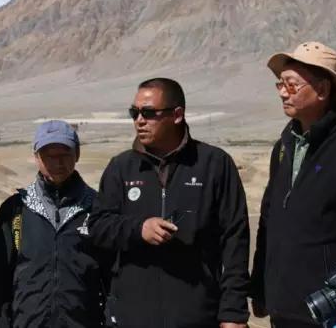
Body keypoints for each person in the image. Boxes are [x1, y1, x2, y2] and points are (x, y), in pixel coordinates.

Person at [87, 78, 250, 328]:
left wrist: (233, 311)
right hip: (133, 317)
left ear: (177, 115)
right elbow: (98, 226)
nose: (139, 120)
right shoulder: (121, 167)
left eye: (148, 113)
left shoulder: (214, 164)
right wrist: (139, 229)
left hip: (198, 315)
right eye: (134, 112)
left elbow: (235, 240)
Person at [250, 42, 336, 327]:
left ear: (322, 90)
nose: (282, 92)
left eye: (291, 85)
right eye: (280, 84)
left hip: (330, 311)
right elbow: (268, 219)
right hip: (282, 305)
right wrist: (259, 287)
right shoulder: (284, 146)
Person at [0, 120, 107, 328]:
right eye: (49, 156)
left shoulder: (97, 207)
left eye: (65, 154)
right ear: (36, 157)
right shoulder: (16, 209)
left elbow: (111, 274)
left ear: (77, 154)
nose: (58, 163)